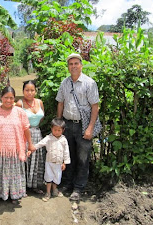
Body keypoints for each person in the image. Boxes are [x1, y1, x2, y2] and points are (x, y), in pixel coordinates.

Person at [56, 53, 100, 201]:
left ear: (81, 65)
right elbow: (60, 103)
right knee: (68, 156)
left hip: (83, 126)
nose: (73, 66)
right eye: (70, 64)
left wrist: (90, 128)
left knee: (82, 158)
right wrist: (59, 123)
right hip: (67, 125)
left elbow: (95, 107)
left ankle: (78, 188)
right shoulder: (65, 83)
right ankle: (67, 184)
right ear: (68, 67)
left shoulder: (89, 83)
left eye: (76, 63)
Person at [0, 86, 35, 206]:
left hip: (14, 151)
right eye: (6, 97)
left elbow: (26, 129)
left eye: (11, 98)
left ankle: (14, 195)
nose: (8, 100)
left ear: (14, 99)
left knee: (13, 174)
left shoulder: (20, 112)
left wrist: (30, 144)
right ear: (1, 97)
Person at [29, 118, 70, 202]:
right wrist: (32, 149)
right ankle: (48, 192)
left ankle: (55, 190)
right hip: (49, 162)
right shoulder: (48, 138)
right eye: (55, 130)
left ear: (63, 130)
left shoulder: (63, 140)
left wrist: (64, 163)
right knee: (48, 177)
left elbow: (66, 152)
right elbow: (40, 144)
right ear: (51, 129)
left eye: (59, 130)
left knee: (57, 178)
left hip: (59, 163)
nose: (57, 132)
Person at [15, 80, 45, 194]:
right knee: (24, 160)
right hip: (24, 135)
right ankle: (22, 187)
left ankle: (34, 185)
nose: (29, 93)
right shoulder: (19, 104)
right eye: (27, 90)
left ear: (35, 91)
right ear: (23, 91)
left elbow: (41, 118)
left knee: (36, 160)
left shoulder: (39, 102)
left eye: (32, 90)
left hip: (37, 133)